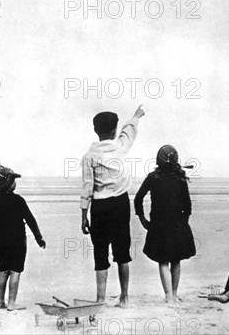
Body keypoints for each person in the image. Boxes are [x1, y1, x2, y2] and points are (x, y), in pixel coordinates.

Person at [81, 105, 145, 308]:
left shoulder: (89, 157)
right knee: (122, 251)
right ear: (114, 130)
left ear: (95, 130)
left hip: (99, 207)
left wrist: (84, 215)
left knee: (100, 251)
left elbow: (87, 187)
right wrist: (135, 116)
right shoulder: (120, 146)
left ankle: (100, 299)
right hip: (120, 204)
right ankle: (124, 297)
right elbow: (129, 132)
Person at [134, 145, 196, 304]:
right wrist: (184, 223)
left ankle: (168, 296)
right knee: (176, 260)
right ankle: (174, 295)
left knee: (163, 260)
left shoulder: (153, 177)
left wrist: (142, 219)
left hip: (158, 224)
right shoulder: (180, 178)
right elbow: (187, 205)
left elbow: (138, 198)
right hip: (178, 223)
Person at [0, 165, 46, 311]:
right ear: (7, 183)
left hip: (0, 241)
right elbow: (30, 220)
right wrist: (39, 238)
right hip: (17, 241)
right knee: (15, 271)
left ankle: (0, 302)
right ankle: (12, 303)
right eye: (13, 180)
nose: (15, 183)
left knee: (3, 271)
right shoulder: (18, 200)